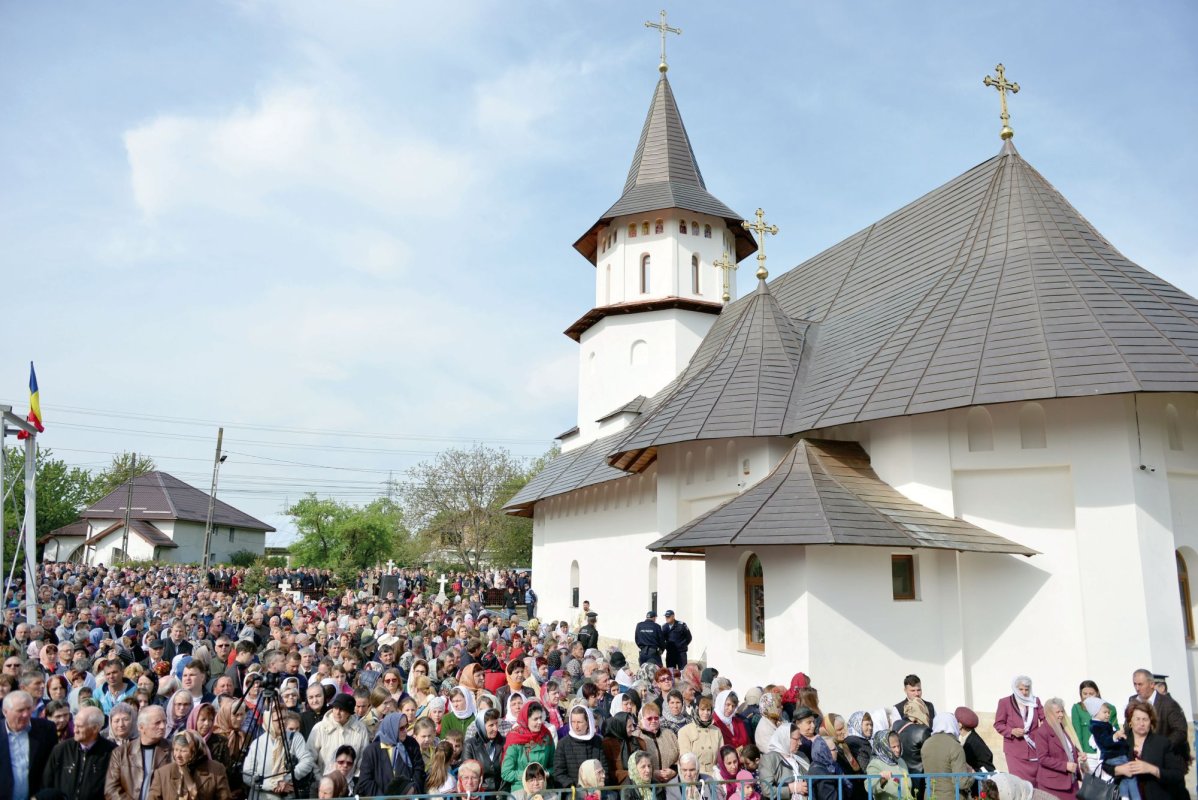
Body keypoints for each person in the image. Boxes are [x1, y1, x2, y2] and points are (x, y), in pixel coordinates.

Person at [1103, 701, 1185, 800]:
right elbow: (1105, 765)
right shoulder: (1121, 741)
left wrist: (1152, 769)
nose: (1141, 723)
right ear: (1130, 722)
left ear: (1151, 722)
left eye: (1145, 719)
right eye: (1137, 719)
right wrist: (1119, 770)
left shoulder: (1162, 743)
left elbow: (1177, 775)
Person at [40, 705, 117, 800]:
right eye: (75, 725)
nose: (75, 730)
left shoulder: (112, 753)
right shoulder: (61, 750)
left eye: (80, 727)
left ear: (95, 728)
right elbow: (47, 783)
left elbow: (115, 789)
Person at [241, 707, 316, 800]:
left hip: (288, 795)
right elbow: (247, 775)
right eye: (278, 719)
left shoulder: (295, 737)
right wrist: (272, 784)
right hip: (262, 796)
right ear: (268, 721)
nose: (283, 722)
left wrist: (286, 778)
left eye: (284, 718)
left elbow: (307, 761)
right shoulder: (257, 743)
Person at [105, 703, 172, 800]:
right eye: (157, 723)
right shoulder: (121, 753)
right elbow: (111, 789)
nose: (162, 726)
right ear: (141, 727)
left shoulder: (173, 750)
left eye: (164, 722)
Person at [1128, 669, 1191, 769]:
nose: (1137, 688)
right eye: (1135, 684)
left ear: (1152, 684)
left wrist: (1161, 747)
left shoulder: (1168, 704)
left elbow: (1180, 731)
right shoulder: (1133, 701)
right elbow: (1128, 726)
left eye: (1140, 684)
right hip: (1140, 760)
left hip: (1166, 762)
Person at [1, 689, 57, 800]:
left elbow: (52, 766)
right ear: (5, 712)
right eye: (20, 710)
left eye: (29, 709)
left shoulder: (46, 729)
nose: (26, 714)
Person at [147, 729, 232, 800]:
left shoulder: (216, 770)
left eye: (183, 751)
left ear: (195, 751)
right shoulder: (162, 774)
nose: (178, 755)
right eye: (176, 750)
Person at [356, 711, 425, 796]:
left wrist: (413, 789)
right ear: (391, 728)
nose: (405, 731)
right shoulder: (372, 750)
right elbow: (366, 780)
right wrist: (382, 798)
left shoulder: (411, 744)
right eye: (401, 728)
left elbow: (419, 769)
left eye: (406, 726)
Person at [1085, 696, 1141, 800]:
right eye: (1104, 712)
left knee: (1124, 778)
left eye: (1108, 712)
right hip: (1112, 756)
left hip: (1117, 755)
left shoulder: (1105, 724)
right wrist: (1115, 736)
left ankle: (1125, 796)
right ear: (1096, 712)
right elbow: (1104, 742)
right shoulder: (1097, 726)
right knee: (1130, 777)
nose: (1108, 714)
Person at [993, 675, 1045, 784]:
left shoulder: (1035, 701)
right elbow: (998, 724)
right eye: (1021, 689)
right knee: (1019, 783)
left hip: (1034, 749)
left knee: (1037, 783)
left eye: (1027, 689)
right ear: (1015, 688)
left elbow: (1044, 719)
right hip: (1014, 751)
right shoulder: (1005, 702)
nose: (1024, 692)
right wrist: (1012, 731)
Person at [1030, 698, 1083, 800]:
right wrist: (1065, 766)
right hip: (1053, 785)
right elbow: (1043, 758)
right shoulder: (1042, 732)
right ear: (1049, 714)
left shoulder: (1064, 728)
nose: (1061, 715)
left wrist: (1078, 755)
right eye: (1057, 712)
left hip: (1071, 781)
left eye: (1062, 711)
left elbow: (1068, 750)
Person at [306, 692, 369, 777]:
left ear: (349, 713)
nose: (337, 712)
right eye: (335, 708)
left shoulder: (361, 729)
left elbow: (363, 759)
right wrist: (319, 779)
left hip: (350, 785)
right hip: (324, 783)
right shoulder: (319, 728)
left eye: (342, 710)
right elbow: (309, 757)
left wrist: (356, 779)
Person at [502, 700, 556, 788]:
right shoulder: (515, 738)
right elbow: (506, 773)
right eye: (535, 719)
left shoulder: (546, 736)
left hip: (543, 786)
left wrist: (546, 773)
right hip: (520, 787)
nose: (539, 722)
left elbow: (554, 765)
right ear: (526, 720)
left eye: (540, 718)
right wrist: (528, 776)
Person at [921, 712, 973, 800]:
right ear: (953, 724)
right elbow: (961, 782)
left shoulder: (926, 744)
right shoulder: (955, 746)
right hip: (952, 796)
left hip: (930, 796)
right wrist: (972, 775)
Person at [556, 704, 604, 788]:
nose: (576, 726)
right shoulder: (563, 744)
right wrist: (571, 785)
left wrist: (599, 785)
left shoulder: (597, 741)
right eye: (573, 722)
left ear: (588, 722)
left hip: (596, 788)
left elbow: (604, 766)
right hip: (573, 791)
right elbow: (559, 772)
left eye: (579, 722)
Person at [759, 722, 810, 800]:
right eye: (796, 739)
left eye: (800, 739)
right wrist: (791, 788)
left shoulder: (801, 756)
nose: (800, 743)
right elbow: (767, 790)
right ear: (785, 738)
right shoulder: (769, 759)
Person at [1072, 681, 1118, 764]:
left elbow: (1115, 729)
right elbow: (1077, 733)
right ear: (1080, 694)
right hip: (1088, 754)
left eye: (1091, 693)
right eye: (1085, 694)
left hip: (1106, 752)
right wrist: (1080, 752)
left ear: (1097, 693)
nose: (1088, 696)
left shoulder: (1110, 708)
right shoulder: (1077, 708)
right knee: (1090, 777)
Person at [464, 708, 506, 791]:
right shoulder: (470, 745)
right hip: (480, 794)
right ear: (481, 726)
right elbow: (468, 773)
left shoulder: (504, 742)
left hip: (502, 793)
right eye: (491, 725)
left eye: (497, 724)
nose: (496, 728)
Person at [866, 730, 913, 800]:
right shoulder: (875, 763)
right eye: (893, 747)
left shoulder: (900, 761)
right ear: (884, 746)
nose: (897, 750)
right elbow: (869, 787)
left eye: (898, 746)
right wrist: (882, 779)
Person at [954, 706, 994, 773]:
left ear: (960, 725)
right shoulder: (966, 737)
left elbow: (988, 768)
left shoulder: (974, 742)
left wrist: (973, 772)